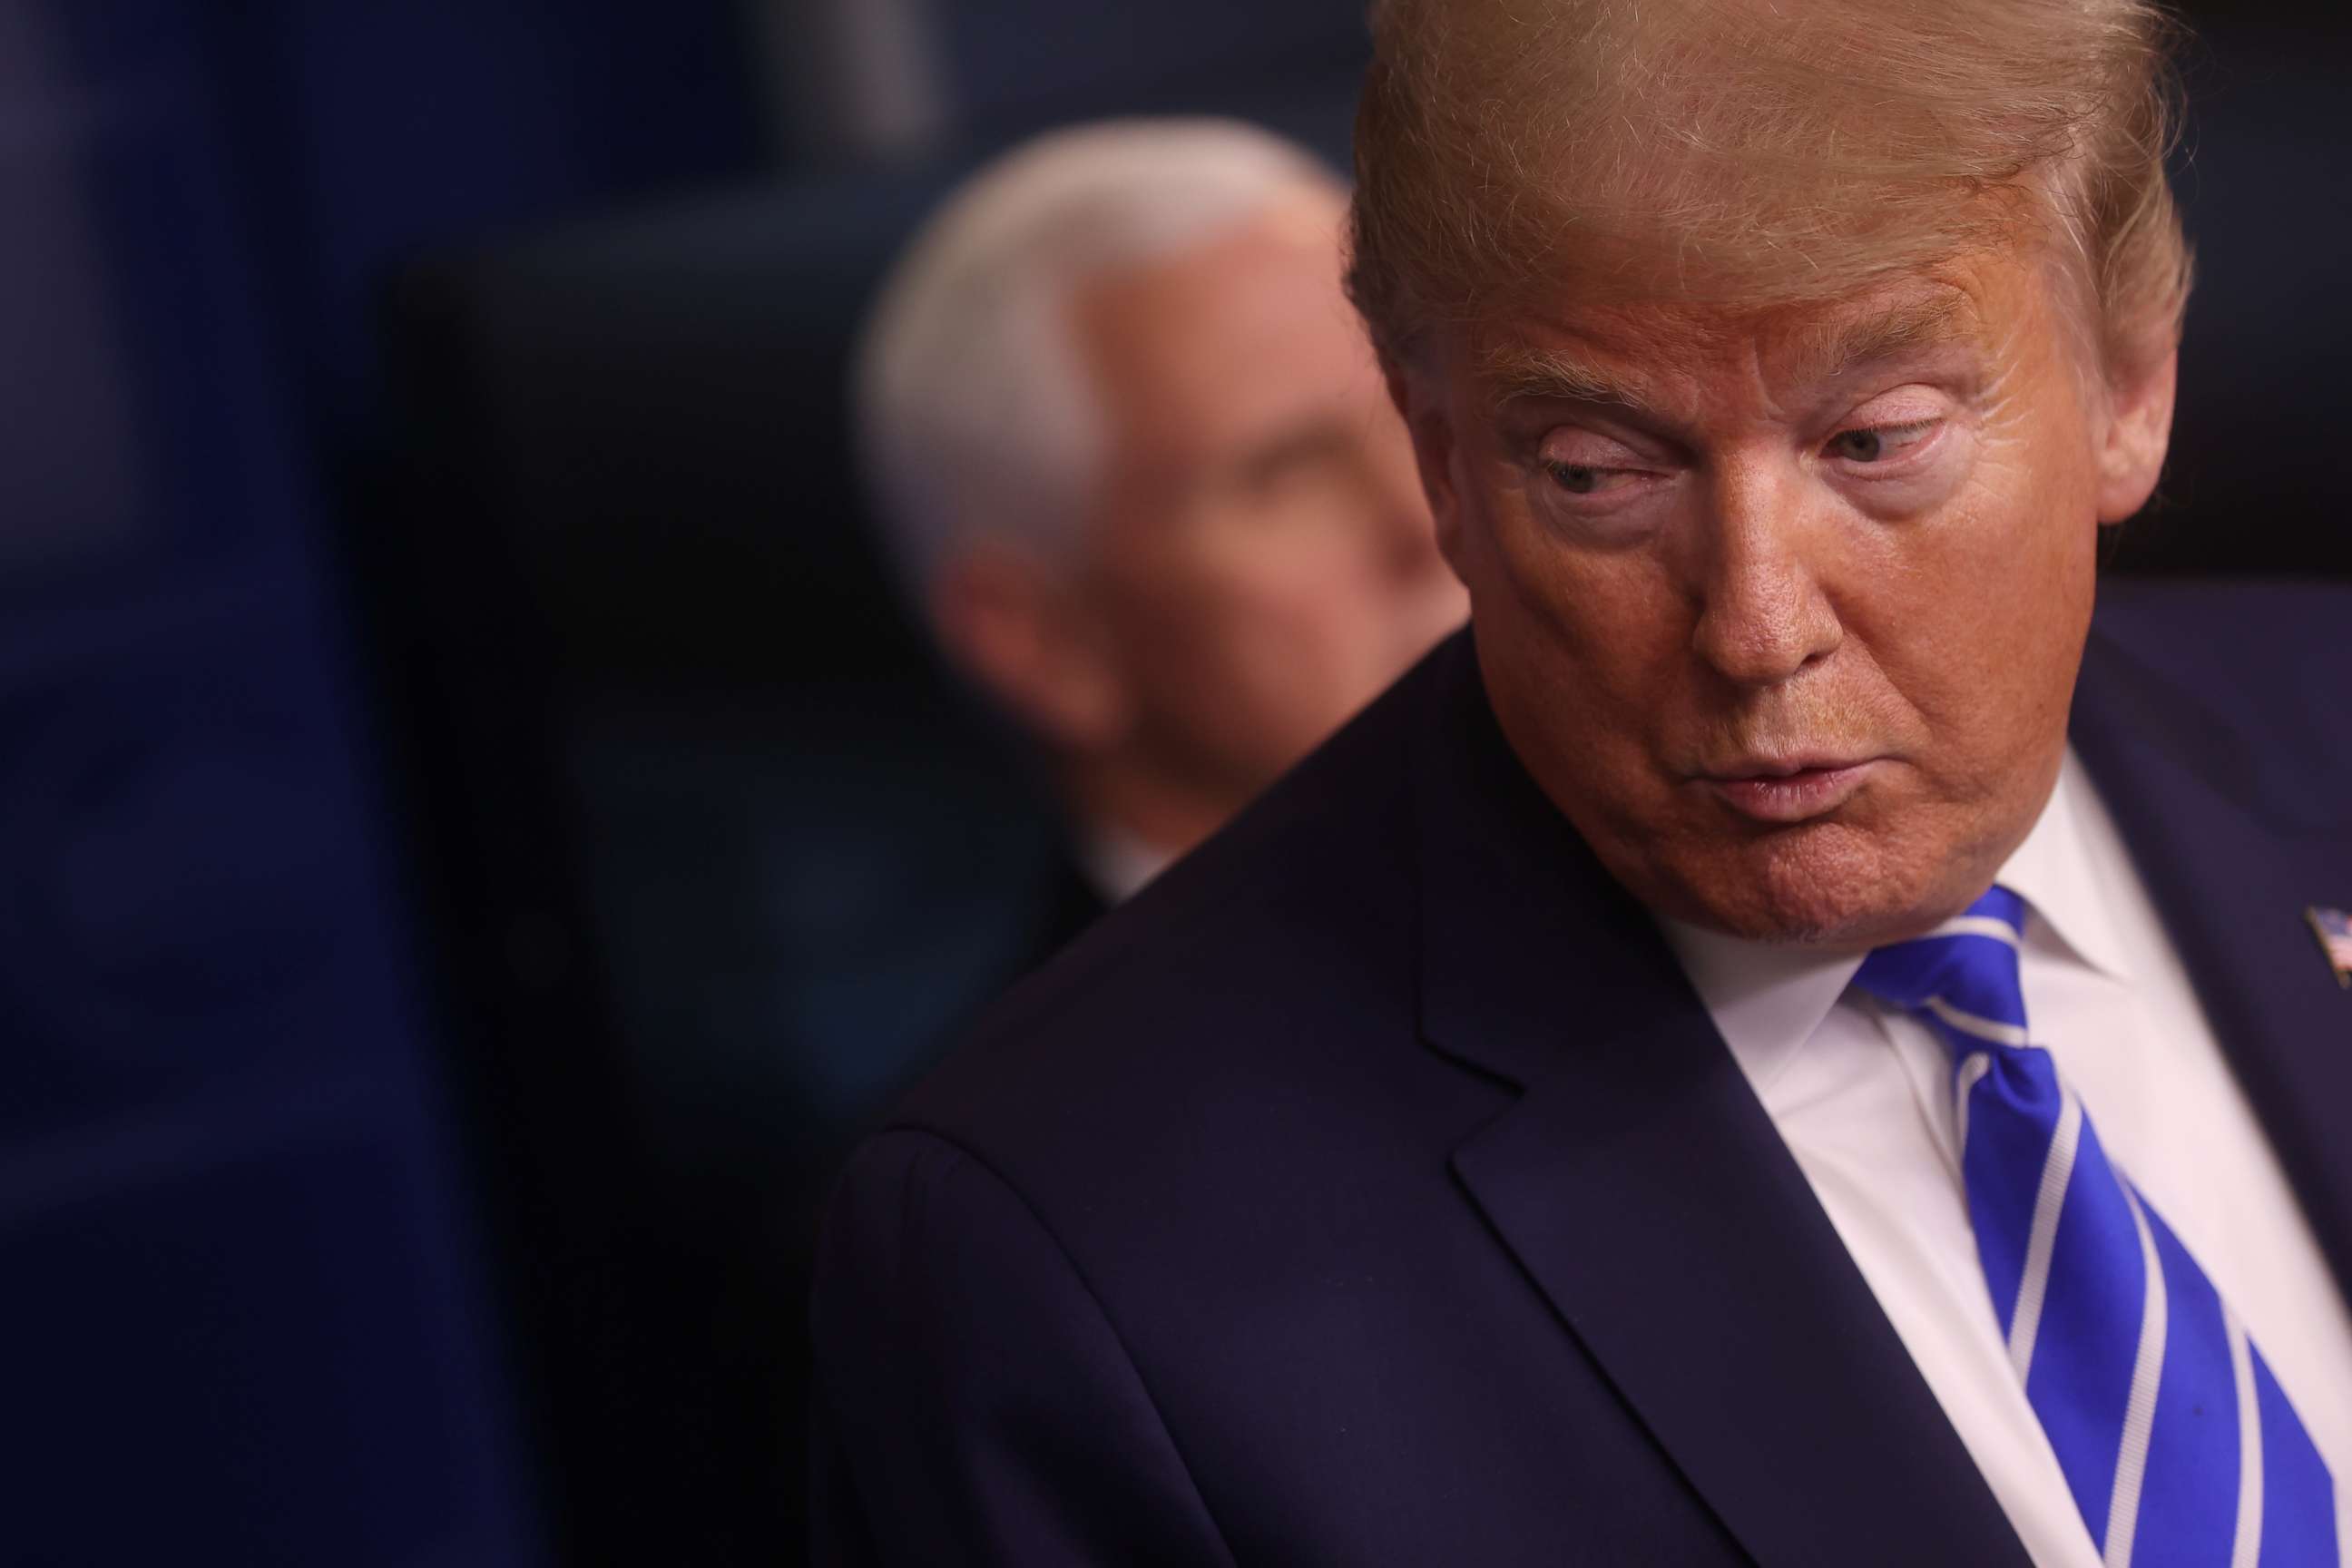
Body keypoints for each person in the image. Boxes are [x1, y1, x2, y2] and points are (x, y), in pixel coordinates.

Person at [813, 2, 2352, 1563]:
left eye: (1875, 440)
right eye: (1597, 473)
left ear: (2129, 384)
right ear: (1440, 468)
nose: (1756, 626)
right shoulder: (1077, 1252)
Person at [855, 119, 1467, 956]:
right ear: (1045, 642)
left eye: (1425, 412)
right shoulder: (1061, 1087)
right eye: (1285, 473)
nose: (1436, 520)